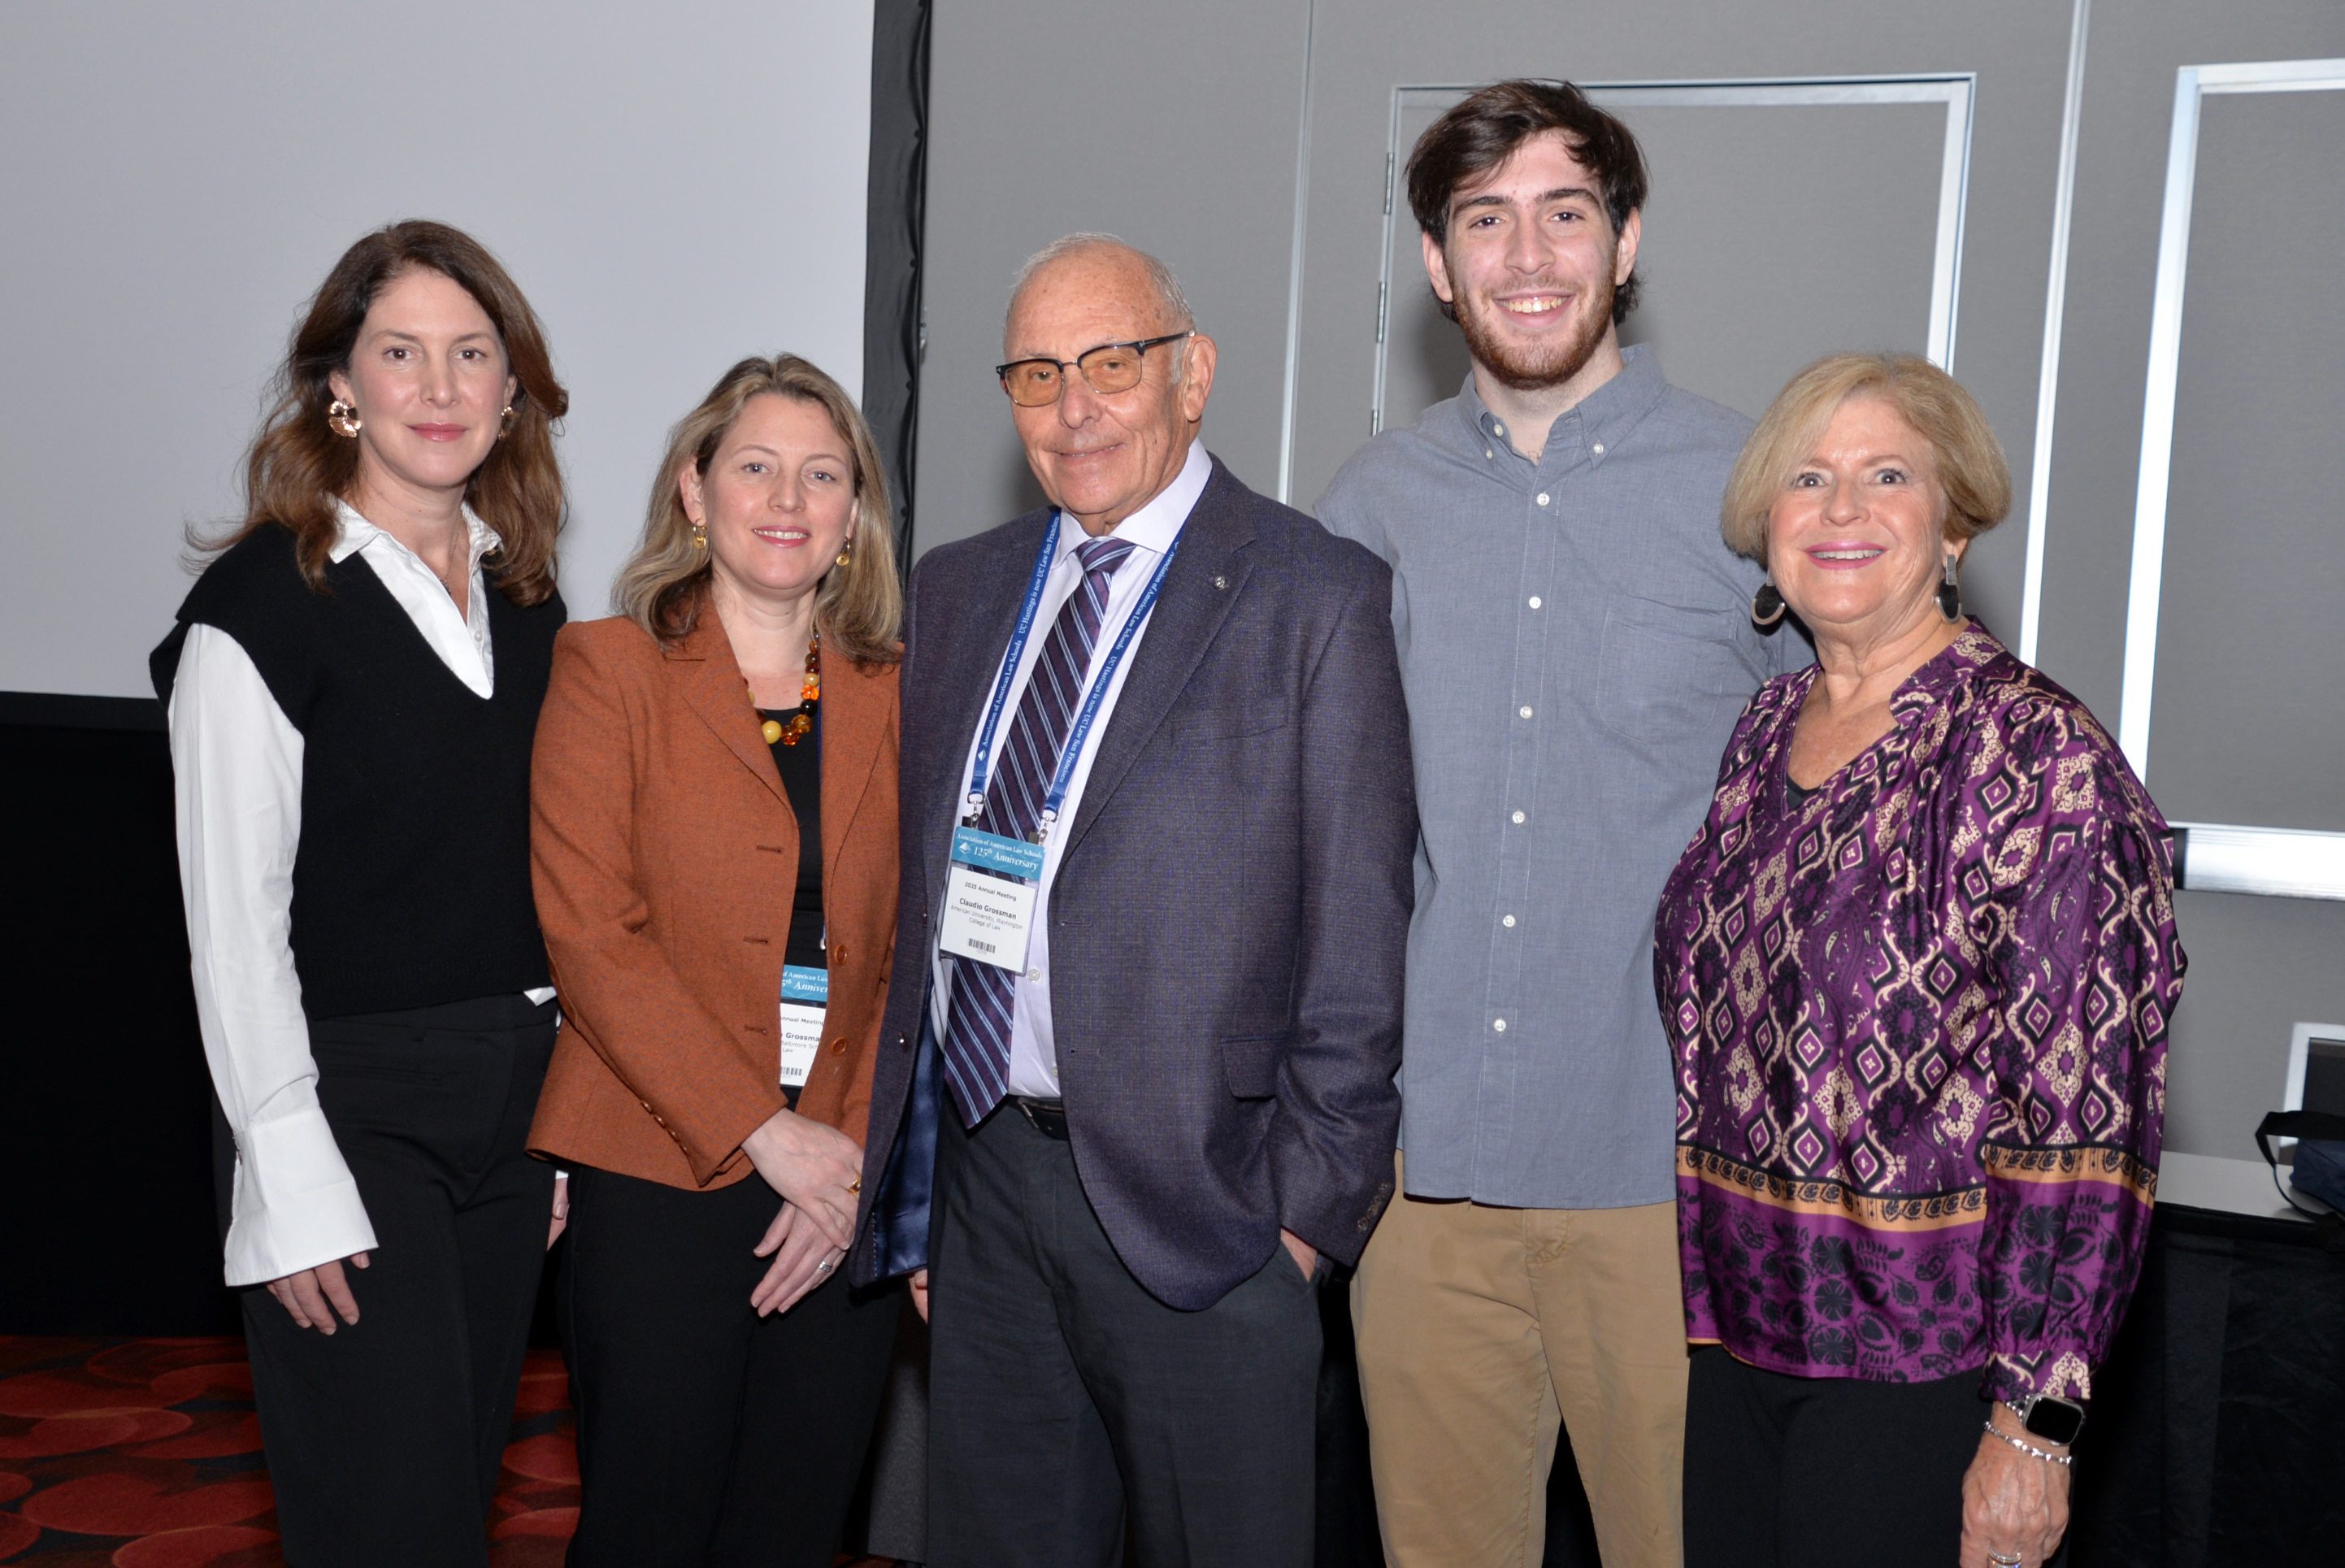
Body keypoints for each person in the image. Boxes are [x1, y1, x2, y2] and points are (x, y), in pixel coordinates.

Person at [844, 233, 1416, 1566]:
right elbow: (931, 897)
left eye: (1111, 362)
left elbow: (1358, 947)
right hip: (987, 1192)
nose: (1074, 406)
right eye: (1036, 374)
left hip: (1205, 1210)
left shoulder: (1313, 595)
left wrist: (1298, 1228)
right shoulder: (958, 589)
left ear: (1192, 372)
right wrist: (923, 1189)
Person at [1317, 80, 1808, 1568]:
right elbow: (1325, 841)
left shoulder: (1757, 495)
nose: (1526, 256)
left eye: (1564, 212)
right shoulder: (1367, 506)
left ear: (1626, 238)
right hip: (1426, 1187)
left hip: (1667, 1189)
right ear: (1434, 262)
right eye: (1485, 219)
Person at [1656, 352, 2186, 1568]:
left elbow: (2085, 1129)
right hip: (1733, 1345)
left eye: (1884, 475)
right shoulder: (1761, 733)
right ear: (1766, 525)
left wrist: (2034, 1425)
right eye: (1806, 478)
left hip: (1924, 1376)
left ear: (1952, 524)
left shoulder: (2038, 760)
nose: (1839, 511)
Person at [151, 220, 569, 1565]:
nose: (439, 389)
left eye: (470, 356)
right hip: (350, 1110)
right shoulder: (260, 603)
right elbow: (233, 925)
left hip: (515, 1113)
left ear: (512, 392)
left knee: (451, 1499)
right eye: (402, 353)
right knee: (386, 1525)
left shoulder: (530, 598)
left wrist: (558, 1122)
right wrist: (286, 1172)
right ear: (342, 385)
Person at [526, 355, 905, 1566]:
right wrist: (761, 1130)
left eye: (821, 473)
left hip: (843, 1174)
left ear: (854, 515)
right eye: (754, 466)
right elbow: (592, 936)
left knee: (794, 1519)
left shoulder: (902, 691)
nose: (785, 497)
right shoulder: (609, 670)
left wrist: (841, 1161)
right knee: (651, 1516)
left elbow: (914, 943)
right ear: (694, 492)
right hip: (658, 1162)